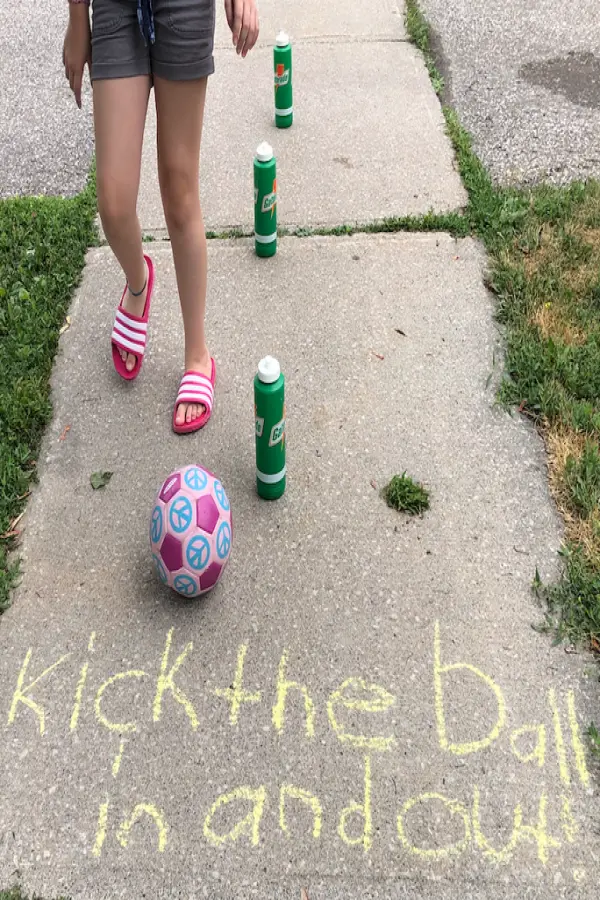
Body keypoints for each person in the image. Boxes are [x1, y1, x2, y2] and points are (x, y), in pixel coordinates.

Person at [63, 0, 259, 433]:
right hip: (114, 10)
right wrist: (78, 18)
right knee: (113, 202)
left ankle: (197, 355)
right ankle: (139, 282)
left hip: (185, 7)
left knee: (179, 191)